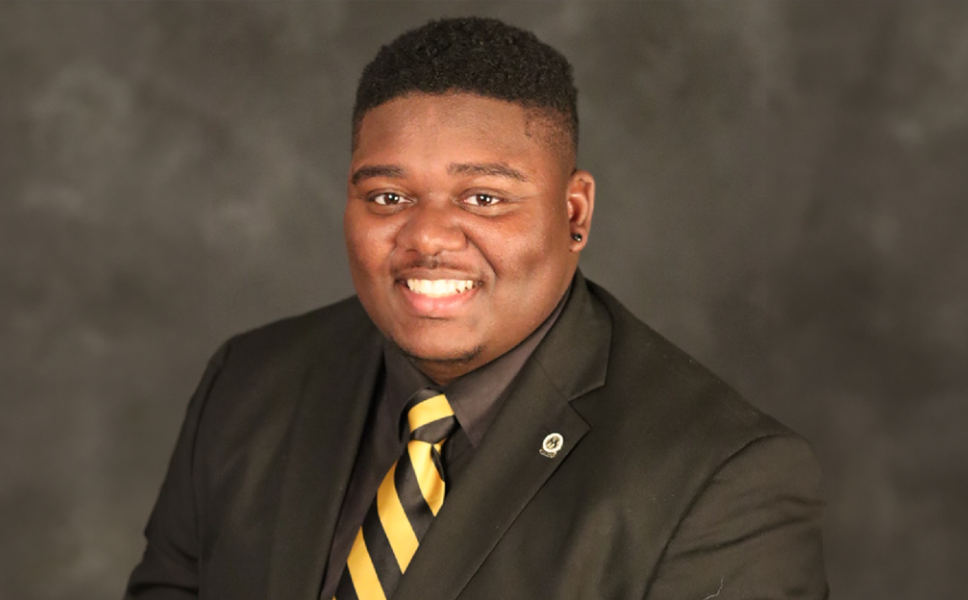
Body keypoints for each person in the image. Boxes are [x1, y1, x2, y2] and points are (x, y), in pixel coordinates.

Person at [125, 17, 827, 600]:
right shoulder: (248, 383)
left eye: (484, 198)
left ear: (574, 213)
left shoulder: (722, 481)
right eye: (388, 198)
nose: (428, 237)